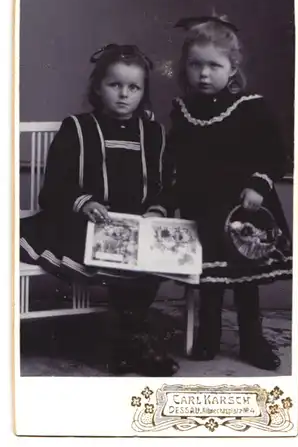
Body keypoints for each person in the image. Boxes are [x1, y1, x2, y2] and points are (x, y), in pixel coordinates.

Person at [20, 43, 179, 377]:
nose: (124, 95)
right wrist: (85, 203)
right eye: (115, 85)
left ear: (143, 92)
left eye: (133, 87)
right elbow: (54, 189)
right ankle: (129, 344)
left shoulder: (153, 134)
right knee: (112, 255)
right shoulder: (76, 128)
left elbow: (164, 186)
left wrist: (157, 211)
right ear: (97, 87)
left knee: (147, 256)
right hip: (85, 223)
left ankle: (130, 340)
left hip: (136, 224)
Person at [165, 15, 292, 370]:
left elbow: (272, 154)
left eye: (214, 66)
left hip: (241, 207)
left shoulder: (250, 107)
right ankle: (208, 336)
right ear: (185, 67)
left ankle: (252, 339)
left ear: (232, 68)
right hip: (202, 206)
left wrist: (258, 185)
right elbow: (176, 156)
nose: (204, 74)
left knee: (243, 278)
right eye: (195, 65)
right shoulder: (184, 111)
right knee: (209, 279)